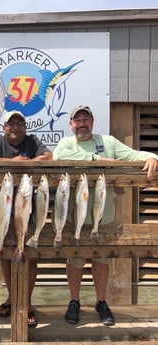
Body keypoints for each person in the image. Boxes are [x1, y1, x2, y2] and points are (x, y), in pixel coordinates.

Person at [53, 105, 158, 326]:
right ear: (71, 124)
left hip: (104, 215)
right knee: (75, 259)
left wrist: (151, 156)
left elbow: (132, 155)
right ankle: (74, 301)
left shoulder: (108, 142)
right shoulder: (65, 144)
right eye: (77, 120)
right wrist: (100, 161)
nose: (82, 124)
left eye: (86, 119)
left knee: (101, 259)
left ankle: (101, 302)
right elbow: (60, 156)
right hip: (74, 216)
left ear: (92, 121)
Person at [0, 110, 53, 327]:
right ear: (4, 127)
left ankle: (26, 302)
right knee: (7, 256)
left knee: (30, 256)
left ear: (25, 127)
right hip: (2, 210)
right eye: (11, 123)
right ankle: (11, 298)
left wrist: (27, 163)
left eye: (19, 123)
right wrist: (11, 161)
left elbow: (48, 157)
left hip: (29, 210)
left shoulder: (33, 141)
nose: (15, 127)